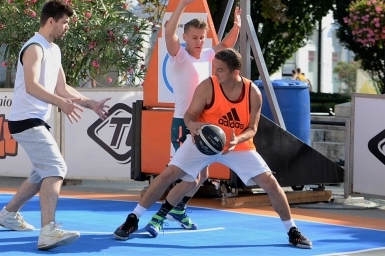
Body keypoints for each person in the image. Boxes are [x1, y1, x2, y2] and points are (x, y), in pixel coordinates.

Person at [113, 48, 313, 249]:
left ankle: (292, 231)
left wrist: (237, 140)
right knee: (167, 175)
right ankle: (133, 219)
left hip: (237, 145)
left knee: (270, 182)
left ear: (235, 72)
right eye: (214, 68)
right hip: (202, 141)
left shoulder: (252, 92)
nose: (215, 73)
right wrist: (192, 126)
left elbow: (252, 129)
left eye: (220, 70)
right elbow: (190, 115)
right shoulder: (208, 86)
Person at [0, 0, 109, 251]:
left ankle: (8, 214)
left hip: (36, 121)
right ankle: (48, 231)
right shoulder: (34, 47)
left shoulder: (53, 50)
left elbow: (61, 88)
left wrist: (90, 103)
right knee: (56, 168)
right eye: (65, 22)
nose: (67, 27)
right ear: (50, 21)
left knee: (40, 175)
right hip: (25, 120)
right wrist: (61, 104)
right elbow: (33, 86)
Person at [152, 0, 241, 231]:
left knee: (201, 176)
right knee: (182, 174)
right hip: (183, 122)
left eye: (202, 38)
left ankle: (178, 210)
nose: (199, 41)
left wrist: (237, 25)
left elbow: (225, 46)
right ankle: (160, 213)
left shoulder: (207, 55)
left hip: (203, 124)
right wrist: (182, 2)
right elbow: (169, 33)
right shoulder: (178, 55)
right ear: (186, 38)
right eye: (194, 38)